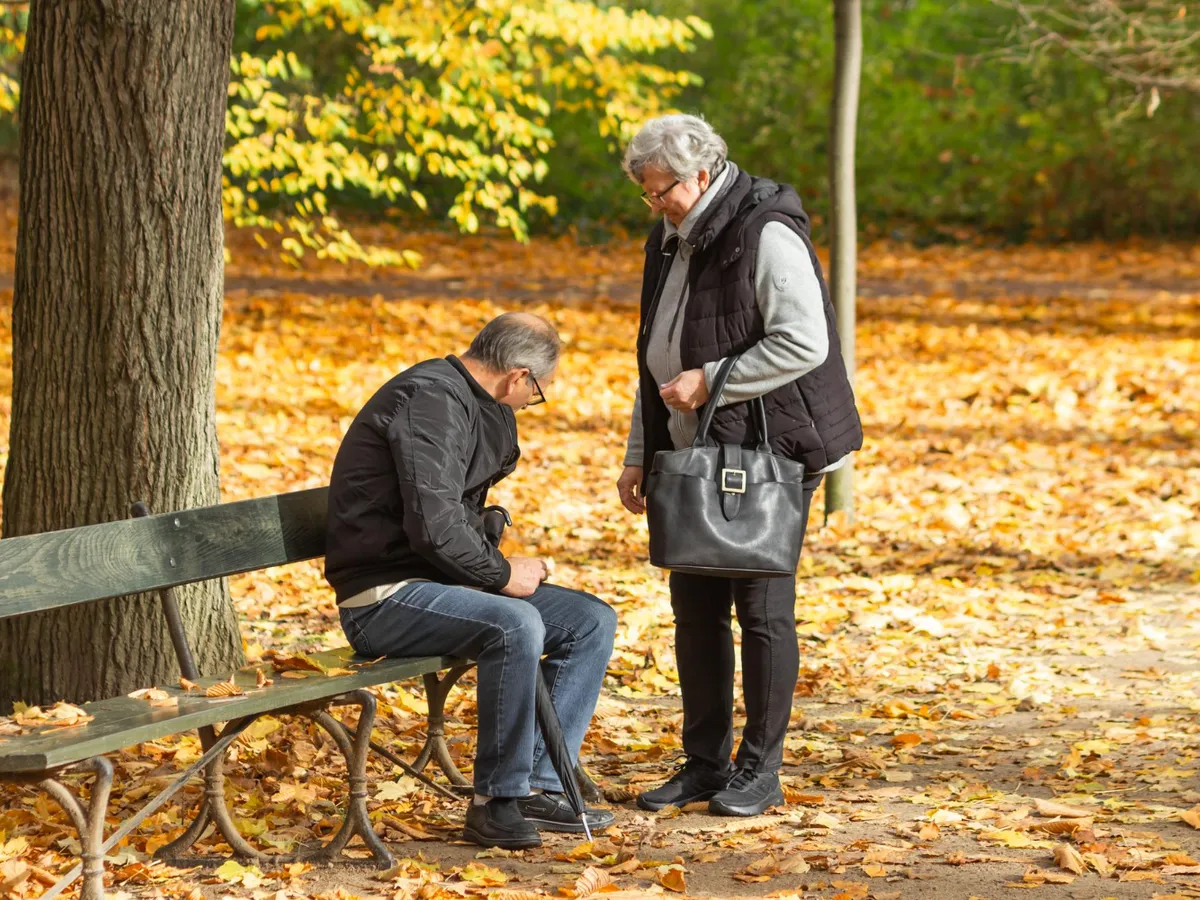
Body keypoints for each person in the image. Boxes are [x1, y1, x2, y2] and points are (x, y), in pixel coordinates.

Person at [616, 115, 863, 817]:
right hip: (693, 445)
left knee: (761, 610)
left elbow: (804, 341)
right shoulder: (669, 237)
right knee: (694, 610)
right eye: (646, 193)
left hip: (773, 449)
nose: (654, 204)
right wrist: (642, 451)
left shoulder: (766, 233)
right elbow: (654, 356)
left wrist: (713, 379)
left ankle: (760, 769)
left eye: (660, 190)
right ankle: (703, 765)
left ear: (700, 174)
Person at [325, 312, 617, 849]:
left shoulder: (468, 400)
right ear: (519, 376)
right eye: (538, 393)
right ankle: (495, 805)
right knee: (515, 622)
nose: (531, 403)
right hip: (383, 596)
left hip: (438, 583)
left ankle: (537, 786)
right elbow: (433, 527)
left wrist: (492, 553)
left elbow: (450, 514)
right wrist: (503, 575)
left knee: (590, 620)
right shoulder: (430, 401)